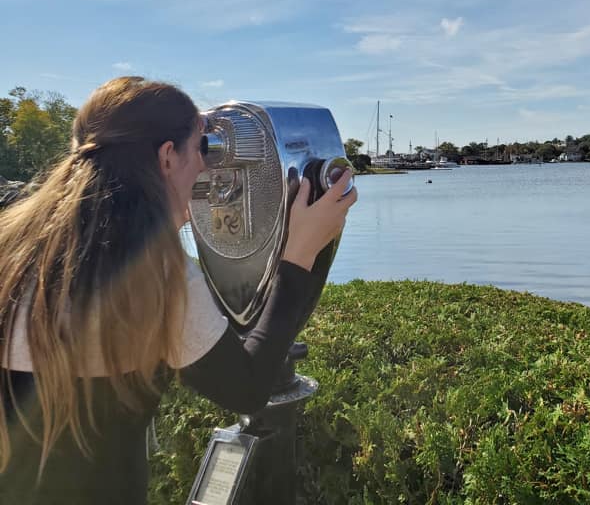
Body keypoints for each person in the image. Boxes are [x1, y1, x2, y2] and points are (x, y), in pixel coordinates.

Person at [0, 76, 358, 504]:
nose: (205, 167)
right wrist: (299, 255)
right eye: (200, 151)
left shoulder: (15, 246)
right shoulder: (157, 278)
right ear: (167, 156)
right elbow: (246, 388)